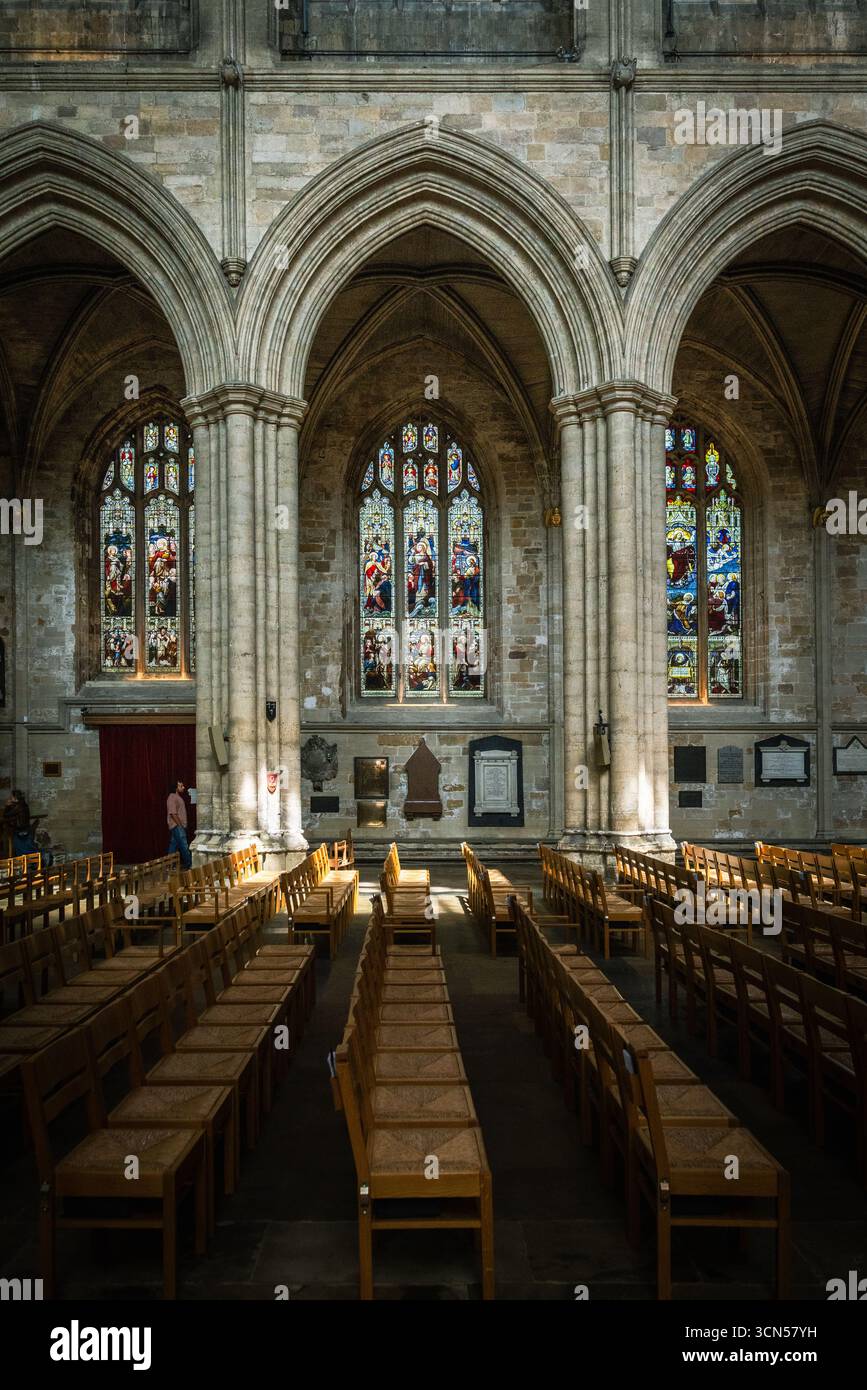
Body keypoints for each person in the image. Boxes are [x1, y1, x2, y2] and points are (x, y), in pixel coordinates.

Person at [166, 779, 192, 869]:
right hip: (177, 826)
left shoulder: (177, 797)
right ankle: (190, 865)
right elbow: (173, 813)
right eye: (181, 786)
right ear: (176, 788)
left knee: (173, 846)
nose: (183, 787)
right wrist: (180, 825)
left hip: (178, 826)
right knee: (184, 846)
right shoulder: (172, 797)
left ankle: (170, 865)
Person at [3, 788, 37, 854]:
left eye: (12, 797)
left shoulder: (18, 806)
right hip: (25, 829)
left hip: (21, 830)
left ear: (15, 798)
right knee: (26, 848)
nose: (10, 798)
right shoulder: (23, 804)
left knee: (21, 849)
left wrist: (7, 806)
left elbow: (6, 815)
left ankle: (34, 860)